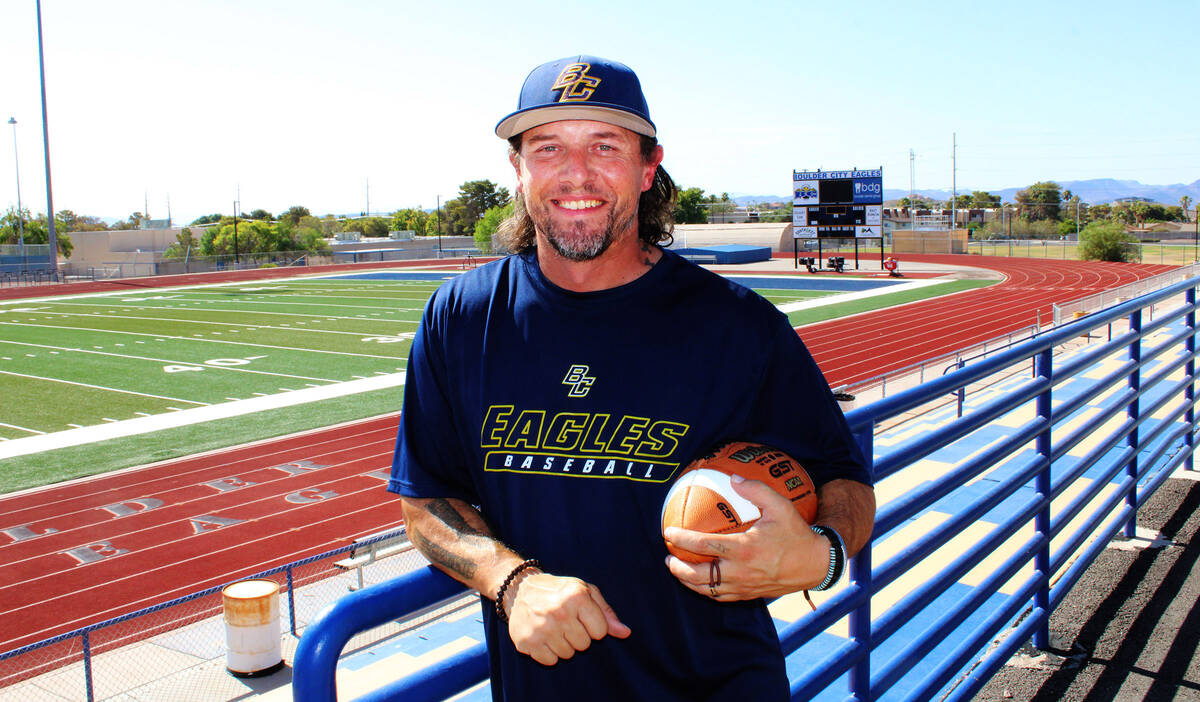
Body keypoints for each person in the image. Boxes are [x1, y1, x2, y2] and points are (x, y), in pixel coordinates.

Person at [389, 55, 875, 701]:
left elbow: (846, 482)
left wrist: (821, 555)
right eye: (548, 147)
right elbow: (424, 504)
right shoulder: (461, 317)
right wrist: (512, 581)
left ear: (649, 167)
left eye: (606, 146)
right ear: (518, 169)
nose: (576, 173)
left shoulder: (738, 326)